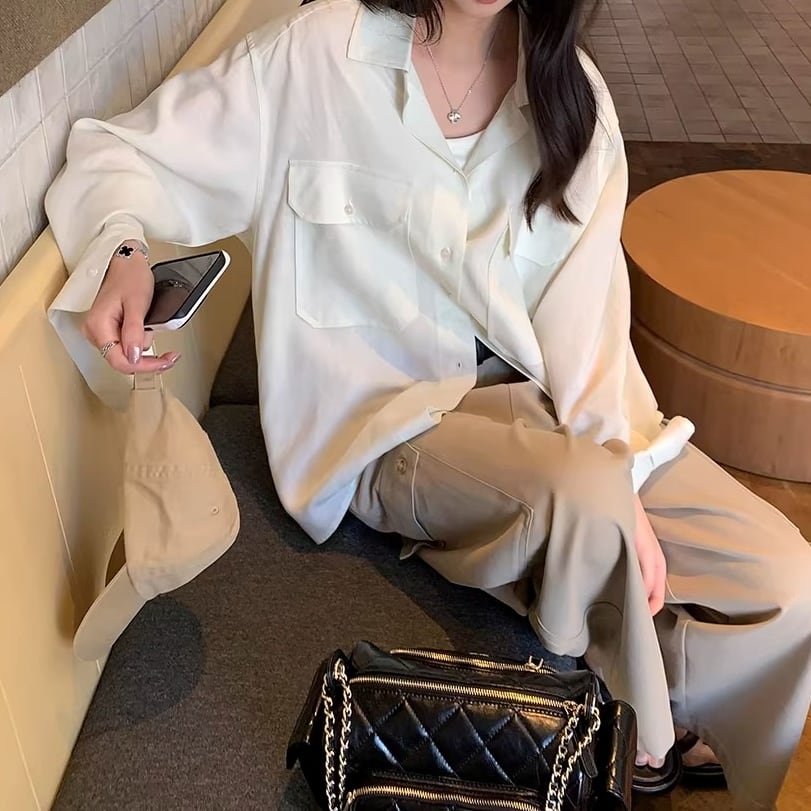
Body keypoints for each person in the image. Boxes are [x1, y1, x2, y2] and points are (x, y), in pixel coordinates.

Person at [44, 0, 811, 808]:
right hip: (387, 425)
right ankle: (633, 742)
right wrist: (122, 252)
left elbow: (588, 339)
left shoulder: (570, 98)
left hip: (549, 410)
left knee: (784, 581)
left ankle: (673, 697)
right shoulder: (313, 56)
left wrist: (625, 472)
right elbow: (117, 155)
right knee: (585, 498)